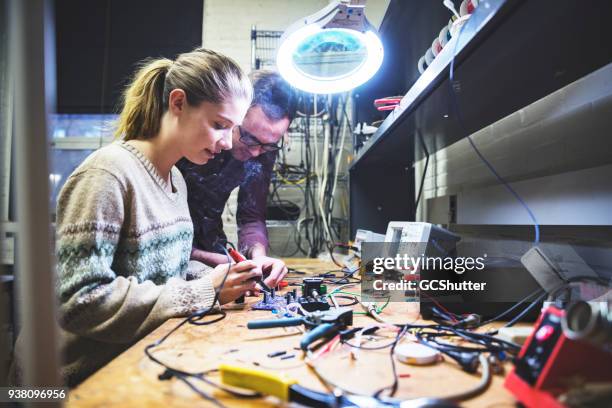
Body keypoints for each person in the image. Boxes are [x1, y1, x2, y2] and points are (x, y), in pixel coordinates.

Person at [13, 48, 260, 387]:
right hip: (68, 382)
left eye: (232, 128)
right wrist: (204, 291)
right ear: (177, 103)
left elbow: (158, 267)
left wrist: (229, 276)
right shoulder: (107, 174)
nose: (228, 143)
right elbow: (79, 302)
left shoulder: (176, 181)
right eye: (219, 124)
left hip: (128, 363)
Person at [177, 70, 297, 288]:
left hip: (214, 249)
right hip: (170, 253)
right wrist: (211, 259)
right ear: (235, 115)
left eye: (269, 144)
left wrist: (258, 256)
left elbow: (251, 215)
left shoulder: (263, 147)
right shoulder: (196, 140)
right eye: (250, 138)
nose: (256, 153)